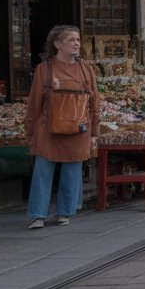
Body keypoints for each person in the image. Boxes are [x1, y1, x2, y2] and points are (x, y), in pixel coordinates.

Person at [25, 25, 100, 229]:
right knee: (42, 171)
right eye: (71, 40)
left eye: (78, 40)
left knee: (72, 172)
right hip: (48, 128)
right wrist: (30, 130)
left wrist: (94, 131)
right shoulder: (44, 69)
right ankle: (38, 215)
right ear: (58, 44)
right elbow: (34, 103)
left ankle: (65, 212)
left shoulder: (86, 69)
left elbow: (95, 102)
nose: (76, 44)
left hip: (78, 129)